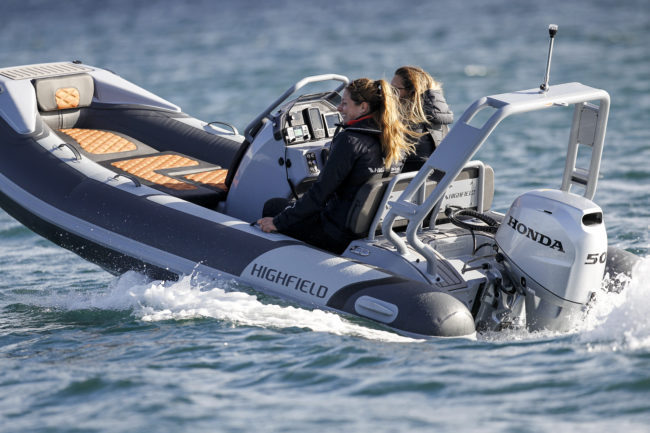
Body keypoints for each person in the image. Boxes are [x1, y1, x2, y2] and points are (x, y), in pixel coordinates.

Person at [256, 78, 414, 254]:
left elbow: (319, 194)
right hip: (369, 229)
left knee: (274, 206)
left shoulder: (349, 140)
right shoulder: (395, 140)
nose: (339, 108)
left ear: (363, 107)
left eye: (345, 104)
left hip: (335, 235)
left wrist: (278, 222)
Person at [391, 66, 454, 172]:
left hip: (410, 180)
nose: (389, 93)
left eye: (394, 89)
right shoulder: (441, 122)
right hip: (437, 178)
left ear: (412, 93)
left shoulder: (408, 124)